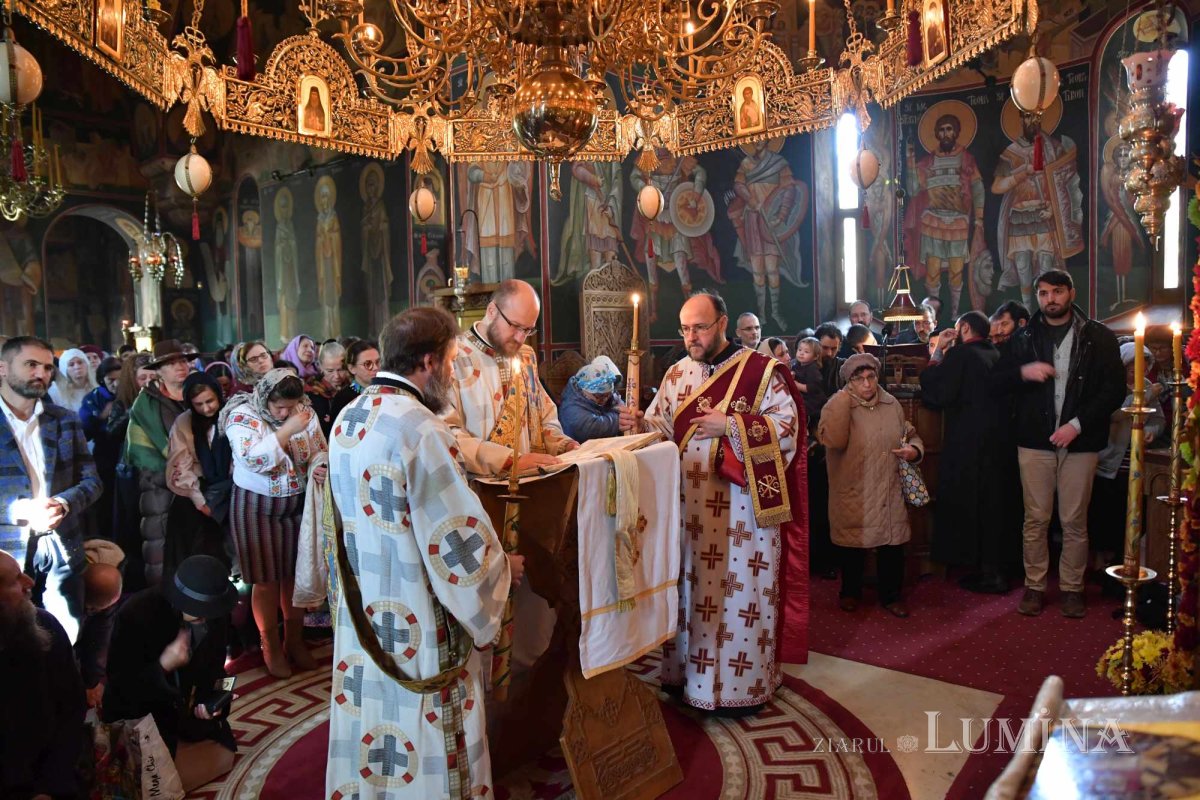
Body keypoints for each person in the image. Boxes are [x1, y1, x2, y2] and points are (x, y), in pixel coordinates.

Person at [325, 306, 519, 797]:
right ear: (430, 362)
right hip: (419, 620)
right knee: (429, 730)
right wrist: (503, 573)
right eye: (452, 361)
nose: (453, 373)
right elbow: (455, 538)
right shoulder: (421, 429)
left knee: (380, 722)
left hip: (368, 610)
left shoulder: (348, 417)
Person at [619, 290, 807, 715]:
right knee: (692, 594)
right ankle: (685, 676)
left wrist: (734, 425)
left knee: (739, 599)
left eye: (699, 327)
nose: (692, 336)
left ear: (722, 323)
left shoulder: (762, 373)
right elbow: (661, 430)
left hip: (744, 516)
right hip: (689, 511)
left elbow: (789, 430)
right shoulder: (676, 374)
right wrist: (639, 424)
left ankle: (740, 690)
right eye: (685, 329)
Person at [993, 269, 1125, 618]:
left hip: (1080, 442)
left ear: (1071, 292)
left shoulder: (1098, 336)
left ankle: (1071, 589)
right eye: (1043, 293)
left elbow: (1114, 390)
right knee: (1035, 519)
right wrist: (1023, 372)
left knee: (1074, 520)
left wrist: (1077, 425)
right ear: (1037, 297)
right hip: (1034, 441)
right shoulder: (1023, 338)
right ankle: (1034, 586)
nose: (1050, 299)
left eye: (1057, 292)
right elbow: (996, 381)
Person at [220, 369, 327, 677]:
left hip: (296, 502)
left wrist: (318, 467)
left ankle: (293, 639)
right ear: (265, 397)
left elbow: (319, 450)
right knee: (266, 579)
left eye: (290, 407)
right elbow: (251, 458)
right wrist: (286, 430)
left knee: (295, 575)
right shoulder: (241, 414)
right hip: (256, 505)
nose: (285, 412)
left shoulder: (303, 411)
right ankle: (270, 645)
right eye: (279, 407)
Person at [0, 336, 103, 643]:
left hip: (61, 540)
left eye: (47, 367)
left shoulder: (63, 420)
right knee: (13, 638)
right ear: (2, 369)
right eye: (31, 364)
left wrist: (62, 503)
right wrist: (16, 510)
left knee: (66, 633)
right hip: (7, 546)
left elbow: (92, 481)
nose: (41, 374)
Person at [103, 554, 238, 781]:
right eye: (199, 611)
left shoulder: (215, 614)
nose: (205, 619)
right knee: (162, 781)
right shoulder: (138, 614)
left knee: (224, 757)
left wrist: (214, 704)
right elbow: (121, 689)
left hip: (188, 708)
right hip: (145, 712)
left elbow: (216, 671)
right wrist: (163, 666)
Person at [818, 353, 924, 617]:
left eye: (871, 377)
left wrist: (914, 450)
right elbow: (833, 441)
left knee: (892, 546)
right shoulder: (838, 404)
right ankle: (850, 592)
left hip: (888, 485)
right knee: (852, 544)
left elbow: (910, 434)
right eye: (859, 379)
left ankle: (891, 596)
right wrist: (842, 401)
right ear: (849, 382)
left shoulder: (891, 404)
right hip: (854, 487)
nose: (867, 384)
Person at [443, 279, 577, 477]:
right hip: (482, 493)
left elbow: (546, 418)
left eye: (527, 329)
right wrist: (508, 461)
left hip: (533, 486)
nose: (520, 338)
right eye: (515, 326)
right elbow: (448, 434)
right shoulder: (452, 357)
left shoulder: (526, 355)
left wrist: (565, 446)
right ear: (491, 311)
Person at [921, 311, 1007, 593]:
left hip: (967, 441)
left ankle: (983, 572)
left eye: (958, 329)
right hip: (995, 441)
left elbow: (937, 392)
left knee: (969, 502)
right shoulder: (994, 353)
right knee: (990, 504)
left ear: (965, 328)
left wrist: (937, 352)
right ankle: (990, 568)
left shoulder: (962, 355)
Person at [0, 550, 86, 800]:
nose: (30, 582)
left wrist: (50, 786)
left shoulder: (45, 626)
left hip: (50, 779)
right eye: (16, 579)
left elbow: (72, 709)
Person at [904, 111, 989, 316]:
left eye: (949, 129)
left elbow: (977, 188)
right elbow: (914, 189)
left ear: (956, 132)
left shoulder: (966, 160)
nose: (945, 134)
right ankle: (932, 314)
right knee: (932, 271)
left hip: (958, 221)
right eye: (941, 130)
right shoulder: (927, 162)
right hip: (932, 221)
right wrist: (910, 162)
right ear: (936, 134)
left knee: (956, 270)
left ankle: (954, 314)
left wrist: (979, 217)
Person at [124, 340, 190, 587]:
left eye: (182, 361)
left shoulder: (197, 392)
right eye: (171, 363)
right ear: (159, 370)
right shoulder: (146, 402)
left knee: (193, 547)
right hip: (159, 479)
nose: (179, 367)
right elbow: (150, 441)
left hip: (198, 481)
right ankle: (163, 608)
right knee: (161, 546)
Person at [166, 372, 234, 575]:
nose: (206, 408)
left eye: (210, 401)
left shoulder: (232, 414)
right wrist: (199, 500)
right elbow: (181, 464)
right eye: (198, 404)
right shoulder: (184, 422)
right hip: (200, 493)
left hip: (234, 490)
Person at [79, 356, 124, 536]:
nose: (115, 384)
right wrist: (101, 417)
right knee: (106, 500)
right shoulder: (93, 398)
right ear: (102, 379)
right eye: (110, 380)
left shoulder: (130, 395)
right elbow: (85, 432)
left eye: (119, 379)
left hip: (126, 453)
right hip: (104, 455)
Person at [559, 355, 624, 443]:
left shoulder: (608, 395)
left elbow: (621, 406)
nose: (604, 399)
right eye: (599, 396)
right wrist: (617, 421)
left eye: (607, 395)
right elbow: (589, 428)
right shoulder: (570, 407)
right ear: (584, 390)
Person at [329, 339, 379, 424]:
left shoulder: (388, 391)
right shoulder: (343, 399)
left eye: (378, 362)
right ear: (352, 369)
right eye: (367, 364)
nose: (375, 368)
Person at [305, 340, 348, 438]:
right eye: (330, 371)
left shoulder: (354, 386)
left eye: (341, 370)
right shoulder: (312, 391)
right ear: (320, 367)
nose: (337, 376)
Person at [48, 346, 97, 414]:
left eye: (80, 362)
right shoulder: (56, 391)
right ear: (65, 370)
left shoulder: (97, 388)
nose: (77, 367)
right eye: (71, 364)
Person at [792, 337, 828, 426]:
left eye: (806, 352)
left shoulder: (812, 369)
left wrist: (796, 384)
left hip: (812, 400)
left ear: (815, 356)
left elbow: (812, 388)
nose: (801, 353)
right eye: (799, 350)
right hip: (802, 396)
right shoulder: (796, 365)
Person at [814, 322, 846, 397]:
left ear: (839, 346)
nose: (829, 353)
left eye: (834, 349)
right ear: (815, 344)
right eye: (825, 348)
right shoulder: (803, 366)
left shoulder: (845, 366)